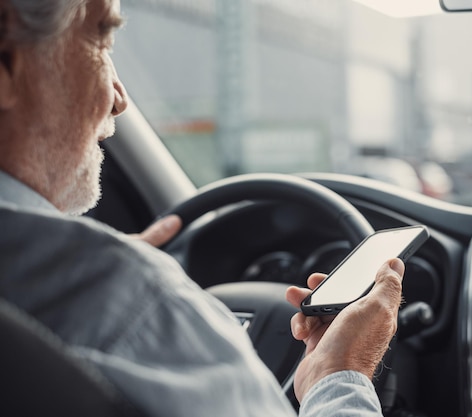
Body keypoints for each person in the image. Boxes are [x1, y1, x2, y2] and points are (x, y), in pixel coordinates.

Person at [0, 0, 405, 416]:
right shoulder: (130, 306)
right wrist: (339, 373)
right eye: (100, 39)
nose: (120, 98)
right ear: (7, 61)